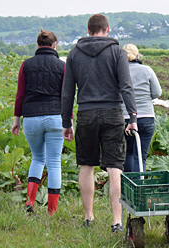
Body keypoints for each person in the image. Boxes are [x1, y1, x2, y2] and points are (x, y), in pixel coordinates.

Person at [61, 14, 138, 233]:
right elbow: (126, 86)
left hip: (85, 113)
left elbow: (67, 93)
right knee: (115, 167)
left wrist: (66, 122)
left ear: (88, 30)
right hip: (113, 113)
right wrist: (132, 117)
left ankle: (89, 217)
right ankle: (116, 221)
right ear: (107, 29)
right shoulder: (117, 52)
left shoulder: (74, 54)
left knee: (86, 166)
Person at [11, 28, 65, 216]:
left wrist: (17, 119)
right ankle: (52, 211)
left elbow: (20, 95)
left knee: (38, 158)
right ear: (54, 45)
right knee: (54, 163)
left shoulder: (26, 65)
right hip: (55, 117)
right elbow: (66, 97)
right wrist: (69, 122)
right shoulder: (62, 66)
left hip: (31, 118)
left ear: (37, 44)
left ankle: (30, 202)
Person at [122, 44, 162, 173]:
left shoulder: (119, 72)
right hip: (146, 118)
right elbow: (157, 93)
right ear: (138, 56)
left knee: (127, 154)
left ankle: (128, 188)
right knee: (140, 156)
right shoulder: (147, 70)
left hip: (124, 117)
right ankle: (139, 187)